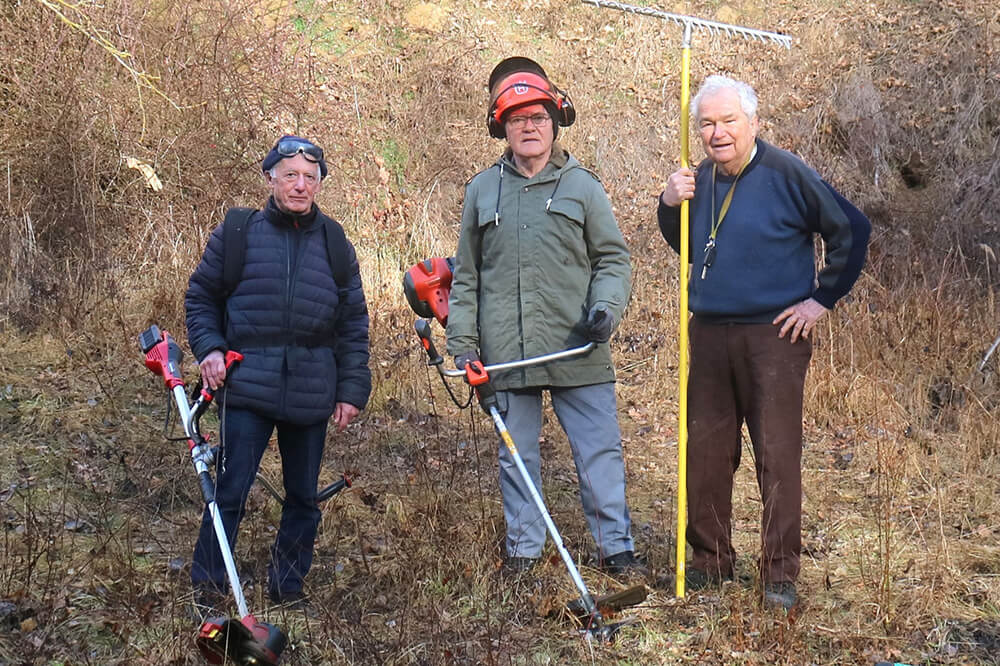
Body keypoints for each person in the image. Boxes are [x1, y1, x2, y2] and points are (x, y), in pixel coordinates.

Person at [657, 75, 871, 609]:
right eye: (706, 123)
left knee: (776, 453)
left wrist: (821, 300)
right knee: (705, 452)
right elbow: (687, 244)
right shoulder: (698, 177)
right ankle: (709, 564)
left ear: (753, 123)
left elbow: (853, 228)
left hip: (773, 336)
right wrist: (667, 204)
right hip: (707, 333)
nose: (717, 132)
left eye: (728, 120)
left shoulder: (785, 171)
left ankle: (779, 575)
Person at [446, 57, 643, 577]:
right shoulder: (481, 191)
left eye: (537, 117)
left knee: (598, 452)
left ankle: (615, 547)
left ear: (555, 122)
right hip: (507, 353)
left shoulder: (584, 187)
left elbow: (613, 260)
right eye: (516, 120)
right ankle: (525, 549)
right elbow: (465, 276)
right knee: (516, 457)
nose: (528, 128)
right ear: (502, 129)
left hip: (578, 346)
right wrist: (463, 343)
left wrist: (605, 310)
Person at [185, 135, 371, 610]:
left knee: (303, 499)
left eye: (310, 177)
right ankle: (208, 585)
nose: (300, 185)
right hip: (245, 382)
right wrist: (209, 350)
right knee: (230, 489)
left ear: (320, 185)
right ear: (270, 178)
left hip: (311, 391)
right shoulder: (239, 232)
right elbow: (202, 297)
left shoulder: (335, 244)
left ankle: (287, 589)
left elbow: (353, 324)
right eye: (290, 175)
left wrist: (351, 390)